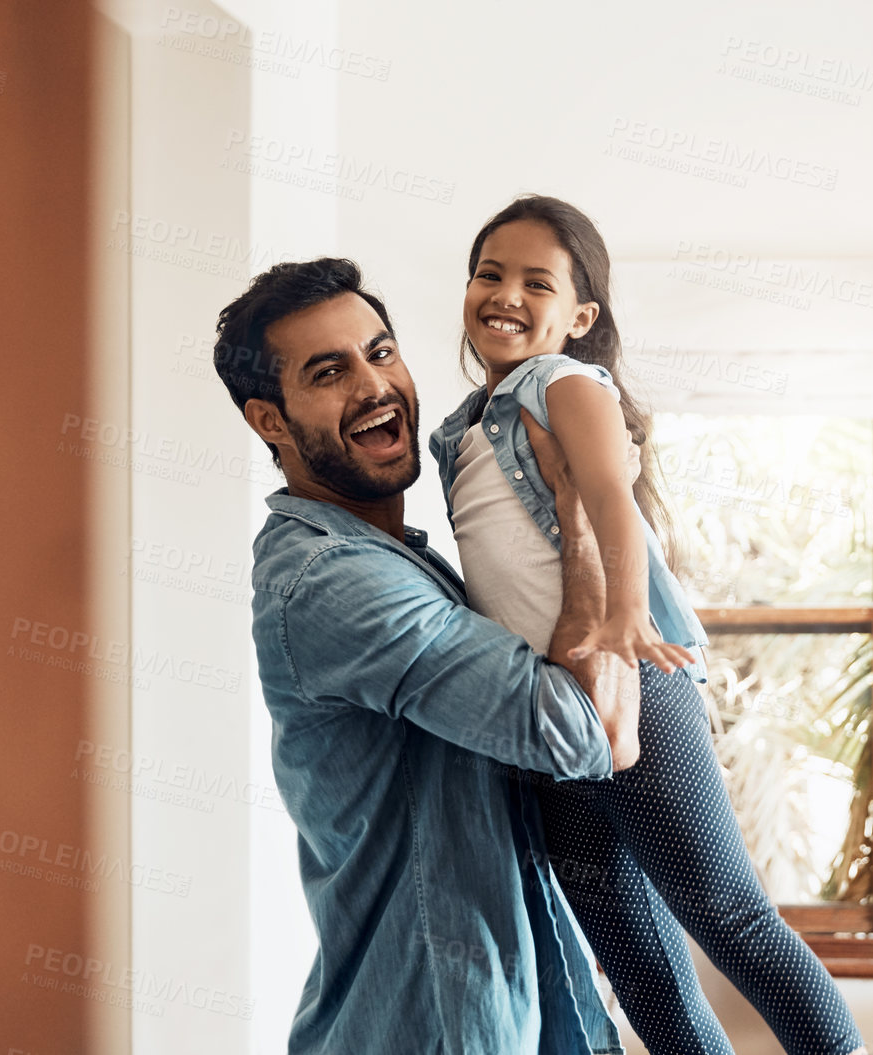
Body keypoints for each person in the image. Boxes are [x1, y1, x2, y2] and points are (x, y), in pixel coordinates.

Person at [429, 195, 866, 1055]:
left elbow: (612, 503)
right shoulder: (459, 430)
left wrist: (627, 614)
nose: (504, 292)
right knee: (626, 940)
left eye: (536, 281)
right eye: (489, 272)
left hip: (635, 670)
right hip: (545, 705)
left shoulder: (564, 383)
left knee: (725, 910)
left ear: (579, 316)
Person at [214, 257, 644, 1055]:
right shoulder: (332, 580)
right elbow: (582, 732)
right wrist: (578, 515)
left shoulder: (399, 557)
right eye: (329, 372)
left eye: (381, 352)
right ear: (269, 421)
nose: (375, 386)